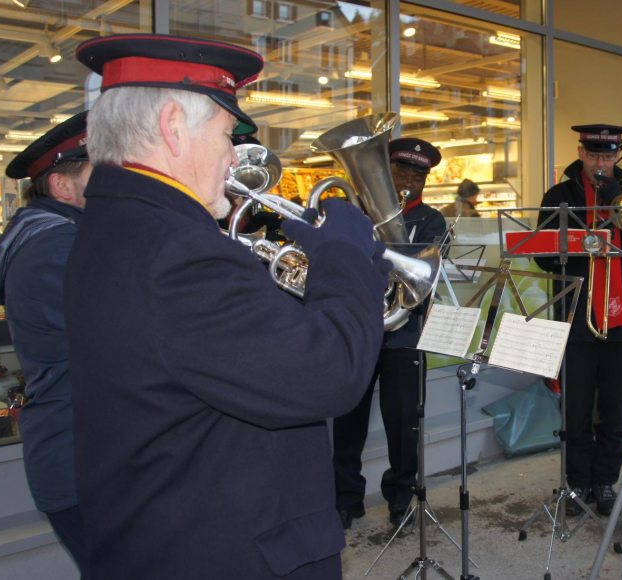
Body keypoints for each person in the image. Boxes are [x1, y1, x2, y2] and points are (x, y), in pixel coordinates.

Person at [65, 34, 391, 580]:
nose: (233, 156)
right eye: (225, 135)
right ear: (172, 127)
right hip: (227, 550)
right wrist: (346, 257)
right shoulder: (176, 250)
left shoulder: (118, 226)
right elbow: (327, 375)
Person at [0, 112, 91, 574]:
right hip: (83, 464)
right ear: (62, 187)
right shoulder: (58, 249)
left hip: (84, 459)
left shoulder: (57, 238)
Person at [535, 124, 622, 516]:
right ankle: (577, 483)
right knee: (575, 412)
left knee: (613, 410)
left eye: (607, 156)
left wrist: (618, 202)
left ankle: (605, 480)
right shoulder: (559, 195)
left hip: (621, 322)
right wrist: (579, 243)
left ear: (618, 156)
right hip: (576, 319)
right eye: (594, 156)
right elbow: (541, 255)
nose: (600, 164)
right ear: (581, 152)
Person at [333, 137, 448, 529]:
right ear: (388, 172)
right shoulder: (357, 212)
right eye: (402, 172)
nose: (409, 181)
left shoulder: (433, 221)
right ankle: (346, 499)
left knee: (404, 425)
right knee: (348, 422)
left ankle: (401, 498)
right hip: (359, 331)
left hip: (406, 335)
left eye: (418, 176)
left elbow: (420, 280)